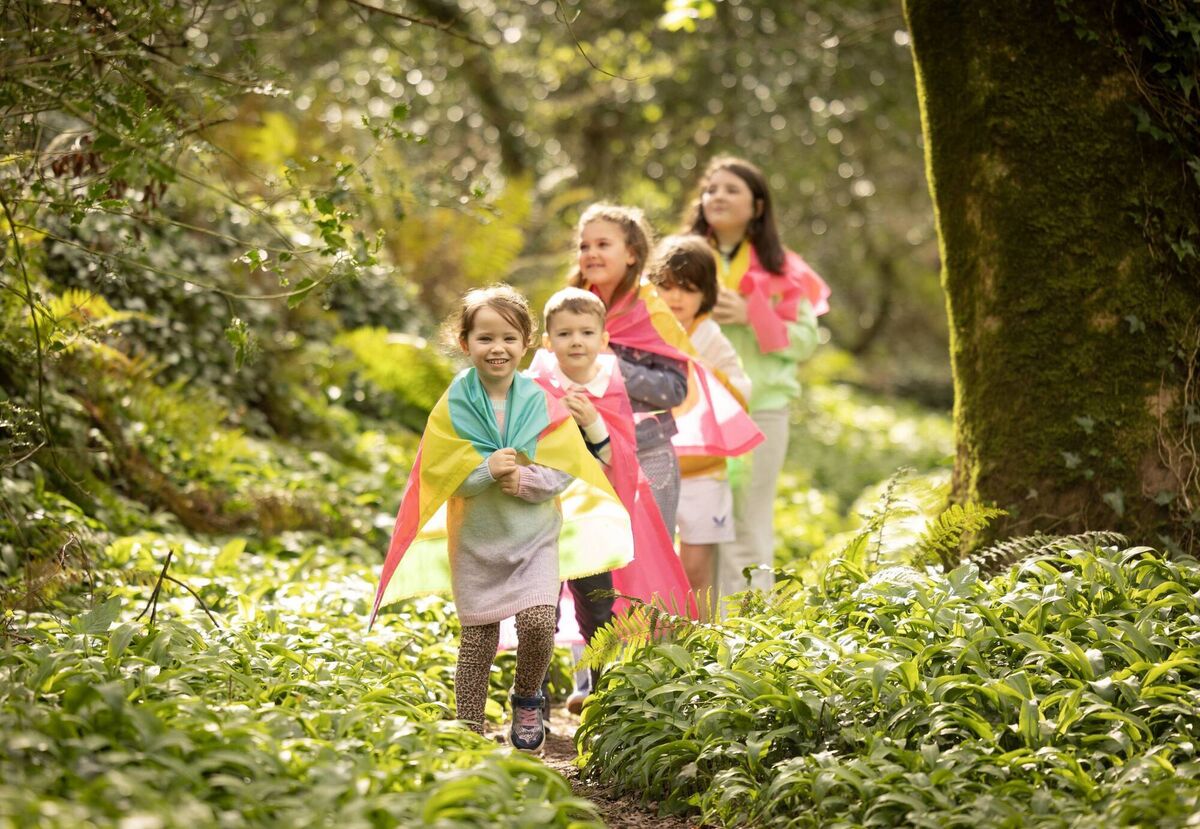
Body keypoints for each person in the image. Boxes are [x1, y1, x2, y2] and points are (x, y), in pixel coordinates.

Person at [368, 284, 633, 753]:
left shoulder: (539, 401)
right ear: (465, 342)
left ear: (527, 343)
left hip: (533, 537)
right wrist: (484, 471)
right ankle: (466, 731)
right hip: (476, 541)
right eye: (486, 338)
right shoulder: (455, 402)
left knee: (536, 622)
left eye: (509, 338)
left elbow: (565, 466)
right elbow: (440, 472)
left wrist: (528, 482)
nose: (498, 348)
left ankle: (528, 697)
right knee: (477, 642)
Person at [530, 287, 693, 711]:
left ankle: (603, 703)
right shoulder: (538, 385)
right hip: (544, 517)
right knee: (539, 610)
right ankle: (533, 703)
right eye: (565, 334)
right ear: (549, 343)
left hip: (593, 520)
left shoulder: (613, 383)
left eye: (587, 332)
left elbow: (621, 457)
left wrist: (595, 423)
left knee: (598, 612)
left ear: (604, 340)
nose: (577, 341)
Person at [683, 156, 831, 599]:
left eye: (732, 190)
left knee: (747, 524)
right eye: (711, 189)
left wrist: (753, 315)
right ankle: (697, 641)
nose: (718, 197)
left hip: (760, 413)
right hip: (690, 415)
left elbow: (805, 340)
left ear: (758, 206)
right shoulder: (681, 259)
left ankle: (748, 640)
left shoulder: (785, 268)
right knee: (695, 529)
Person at [564, 203, 689, 711]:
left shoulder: (651, 311)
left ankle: (646, 685)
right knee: (586, 565)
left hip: (649, 454)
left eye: (603, 244)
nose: (591, 253)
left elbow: (676, 386)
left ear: (632, 253)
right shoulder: (571, 307)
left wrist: (611, 366)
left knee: (643, 568)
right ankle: (591, 678)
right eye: (584, 245)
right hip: (581, 458)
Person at [647, 235, 752, 620]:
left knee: (696, 567)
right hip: (656, 464)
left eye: (689, 289)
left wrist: (706, 377)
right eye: (667, 286)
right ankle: (661, 642)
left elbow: (742, 390)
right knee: (656, 565)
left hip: (703, 469)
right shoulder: (647, 330)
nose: (676, 298)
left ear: (705, 294)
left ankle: (702, 641)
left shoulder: (709, 336)